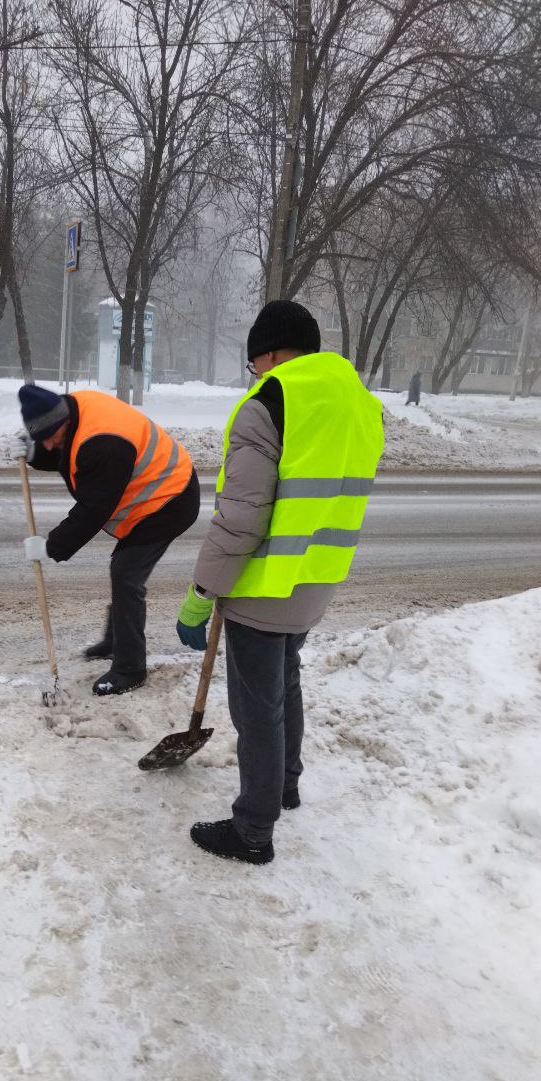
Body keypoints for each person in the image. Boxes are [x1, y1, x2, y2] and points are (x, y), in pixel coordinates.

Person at [175, 300, 384, 864]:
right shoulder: (358, 403)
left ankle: (252, 830)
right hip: (318, 574)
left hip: (264, 583)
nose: (255, 373)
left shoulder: (269, 402)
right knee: (284, 684)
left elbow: (241, 515)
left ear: (268, 352)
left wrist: (202, 591)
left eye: (254, 363)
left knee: (255, 707)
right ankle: (286, 784)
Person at [10, 382, 200, 696]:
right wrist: (33, 452)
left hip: (171, 499)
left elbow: (94, 507)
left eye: (48, 439)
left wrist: (52, 546)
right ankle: (118, 640)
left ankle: (130, 668)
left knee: (126, 572)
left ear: (63, 422)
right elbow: (65, 451)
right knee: (123, 568)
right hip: (154, 491)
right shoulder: (73, 409)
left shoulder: (103, 444)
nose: (47, 446)